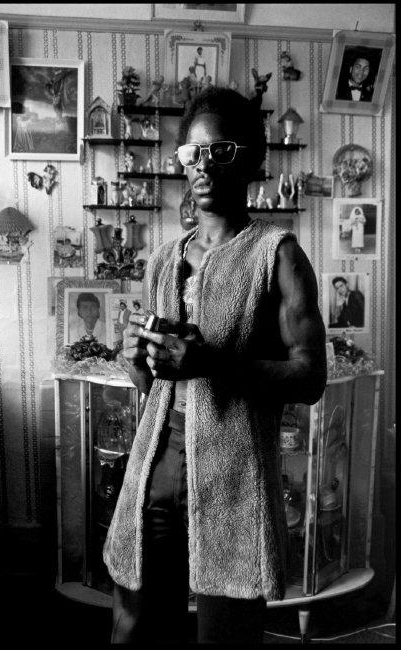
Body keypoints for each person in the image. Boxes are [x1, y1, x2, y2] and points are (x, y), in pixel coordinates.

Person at [103, 87, 327, 644]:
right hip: (152, 472)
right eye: (190, 154)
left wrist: (213, 364)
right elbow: (150, 385)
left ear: (252, 159)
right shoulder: (162, 258)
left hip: (234, 483)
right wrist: (137, 360)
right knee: (134, 626)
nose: (201, 167)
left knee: (224, 637)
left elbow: (311, 377)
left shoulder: (278, 255)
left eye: (219, 151)